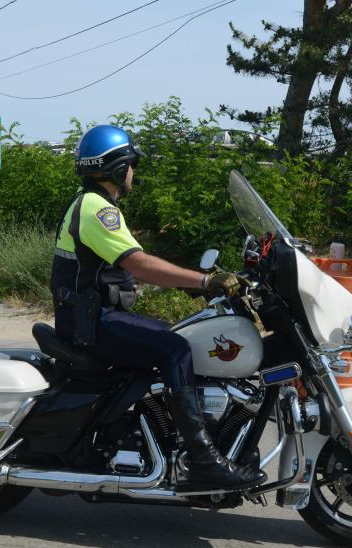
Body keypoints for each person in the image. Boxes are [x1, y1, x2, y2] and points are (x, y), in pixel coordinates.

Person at [50, 125, 266, 489]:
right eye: (131, 164)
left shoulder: (90, 203)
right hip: (93, 324)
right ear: (117, 168)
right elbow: (137, 263)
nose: (134, 172)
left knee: (177, 336)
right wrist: (202, 280)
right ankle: (203, 459)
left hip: (92, 317)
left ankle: (172, 438)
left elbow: (118, 268)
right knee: (177, 348)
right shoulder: (97, 209)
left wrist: (189, 287)